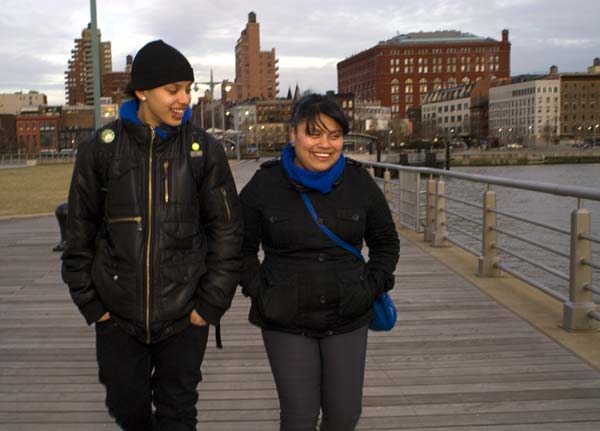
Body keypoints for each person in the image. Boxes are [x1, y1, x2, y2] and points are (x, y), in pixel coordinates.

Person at [61, 40, 242, 430]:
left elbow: (227, 233)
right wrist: (95, 306)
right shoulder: (99, 151)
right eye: (173, 90)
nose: (185, 100)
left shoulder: (204, 151)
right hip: (118, 316)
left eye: (189, 89)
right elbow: (78, 234)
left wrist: (209, 305)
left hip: (184, 315)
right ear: (142, 91)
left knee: (178, 413)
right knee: (127, 410)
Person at [239, 94, 400, 431]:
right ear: (293, 134)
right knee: (299, 418)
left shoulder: (359, 183)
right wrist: (260, 290)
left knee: (344, 416)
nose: (325, 144)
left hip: (347, 315)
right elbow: (239, 248)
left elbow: (385, 243)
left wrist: (369, 288)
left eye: (335, 135)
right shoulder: (264, 185)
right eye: (314, 133)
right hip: (285, 319)